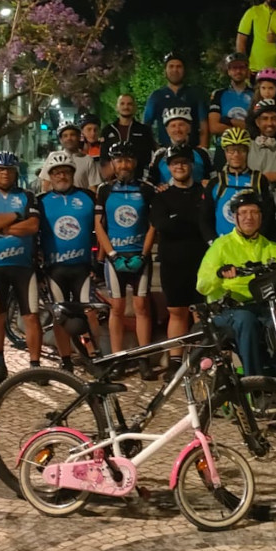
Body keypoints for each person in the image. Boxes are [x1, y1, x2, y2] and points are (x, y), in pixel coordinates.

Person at [198, 190, 276, 379]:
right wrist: (220, 274)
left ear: (261, 217)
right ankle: (253, 381)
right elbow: (202, 285)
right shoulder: (221, 246)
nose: (249, 217)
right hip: (228, 309)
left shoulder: (272, 247)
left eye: (254, 212)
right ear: (235, 217)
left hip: (262, 306)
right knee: (247, 322)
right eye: (244, 212)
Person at [0, 151, 42, 385]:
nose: (5, 173)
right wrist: (14, 216)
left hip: (23, 266)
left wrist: (1, 227)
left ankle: (35, 366)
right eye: (0, 169)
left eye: (9, 169)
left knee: (31, 316)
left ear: (16, 172)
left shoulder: (28, 196)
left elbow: (32, 226)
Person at [96, 141, 158, 377]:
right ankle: (118, 358)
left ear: (134, 163)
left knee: (142, 307)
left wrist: (143, 255)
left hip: (139, 256)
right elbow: (98, 226)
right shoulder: (104, 190)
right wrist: (111, 254)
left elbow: (153, 225)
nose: (123, 164)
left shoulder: (146, 189)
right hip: (115, 257)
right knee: (118, 308)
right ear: (113, 163)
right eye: (119, 160)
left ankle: (144, 359)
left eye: (127, 160)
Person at [37, 151, 100, 375]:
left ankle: (94, 356)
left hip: (82, 267)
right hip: (55, 269)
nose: (61, 176)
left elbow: (101, 228)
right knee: (59, 315)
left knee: (88, 312)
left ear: (73, 174)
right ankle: (66, 360)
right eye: (56, 172)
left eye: (65, 172)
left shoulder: (88, 197)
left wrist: (99, 260)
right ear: (50, 176)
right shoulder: (41, 201)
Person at [150, 145, 209, 372]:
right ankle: (175, 361)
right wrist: (191, 220)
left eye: (184, 162)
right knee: (176, 312)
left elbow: (205, 222)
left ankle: (199, 360)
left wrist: (178, 219)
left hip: (201, 262)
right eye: (175, 163)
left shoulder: (204, 192)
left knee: (200, 313)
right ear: (169, 167)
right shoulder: (162, 195)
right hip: (173, 263)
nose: (180, 166)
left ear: (191, 165)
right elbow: (162, 224)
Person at [204, 127, 273, 238]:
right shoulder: (216, 182)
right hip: (222, 247)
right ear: (225, 152)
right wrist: (212, 241)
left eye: (241, 150)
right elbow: (205, 217)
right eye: (231, 150)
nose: (236, 155)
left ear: (247, 151)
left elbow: (268, 215)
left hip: (252, 246)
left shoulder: (259, 180)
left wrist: (259, 239)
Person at [143, 52, 209, 147]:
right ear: (165, 70)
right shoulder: (156, 96)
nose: (175, 70)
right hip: (166, 152)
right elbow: (146, 125)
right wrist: (155, 148)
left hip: (192, 150)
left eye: (179, 67)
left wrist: (203, 148)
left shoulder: (195, 93)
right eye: (171, 66)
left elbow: (203, 123)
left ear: (184, 70)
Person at [147, 107, 214, 185]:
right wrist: (158, 187)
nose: (177, 129)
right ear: (167, 130)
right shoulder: (159, 154)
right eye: (173, 126)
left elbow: (215, 180)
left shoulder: (203, 153)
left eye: (181, 125)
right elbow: (151, 182)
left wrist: (210, 184)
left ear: (189, 128)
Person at [100, 95, 156, 179]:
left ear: (134, 108)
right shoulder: (107, 130)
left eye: (129, 104)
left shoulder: (144, 130)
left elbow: (149, 155)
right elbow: (104, 157)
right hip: (114, 180)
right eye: (122, 104)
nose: (126, 107)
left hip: (138, 178)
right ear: (117, 107)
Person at [38, 123, 102, 192]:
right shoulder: (53, 157)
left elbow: (93, 188)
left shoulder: (88, 159)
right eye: (65, 136)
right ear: (61, 140)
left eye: (72, 135)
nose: (69, 138)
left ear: (79, 137)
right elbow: (45, 185)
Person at [246, 99, 276, 191]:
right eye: (265, 118)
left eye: (274, 118)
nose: (270, 123)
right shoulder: (247, 145)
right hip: (250, 197)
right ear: (257, 122)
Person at [207, 52, 254, 141]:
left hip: (249, 146)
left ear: (247, 70)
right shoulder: (218, 94)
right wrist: (243, 126)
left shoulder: (255, 94)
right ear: (228, 71)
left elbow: (256, 128)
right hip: (223, 145)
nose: (238, 71)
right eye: (234, 68)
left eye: (241, 67)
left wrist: (230, 121)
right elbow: (214, 127)